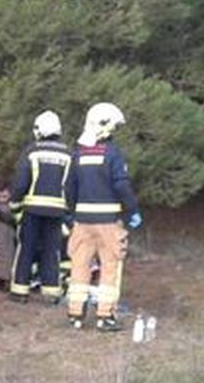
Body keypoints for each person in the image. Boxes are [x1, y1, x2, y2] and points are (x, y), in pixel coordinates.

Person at [65, 102, 142, 332]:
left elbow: (69, 187)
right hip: (109, 222)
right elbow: (121, 184)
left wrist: (71, 214)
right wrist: (133, 210)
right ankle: (105, 316)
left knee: (79, 265)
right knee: (110, 266)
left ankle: (75, 314)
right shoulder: (112, 153)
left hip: (82, 222)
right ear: (105, 126)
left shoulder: (78, 153)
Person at [8, 110, 71, 304]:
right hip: (57, 211)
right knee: (52, 250)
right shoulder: (68, 153)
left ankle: (19, 291)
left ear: (38, 130)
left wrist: (15, 205)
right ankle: (51, 292)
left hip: (32, 210)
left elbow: (20, 181)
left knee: (26, 248)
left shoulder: (31, 151)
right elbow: (71, 184)